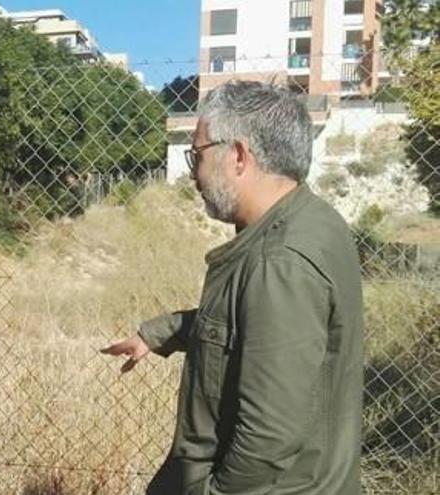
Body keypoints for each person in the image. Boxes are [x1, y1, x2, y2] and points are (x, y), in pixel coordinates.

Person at [102, 80, 364, 494]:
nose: (193, 174)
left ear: (238, 156)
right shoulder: (310, 221)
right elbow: (245, 327)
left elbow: (268, 436)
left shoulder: (280, 262)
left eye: (198, 155)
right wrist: (157, 334)